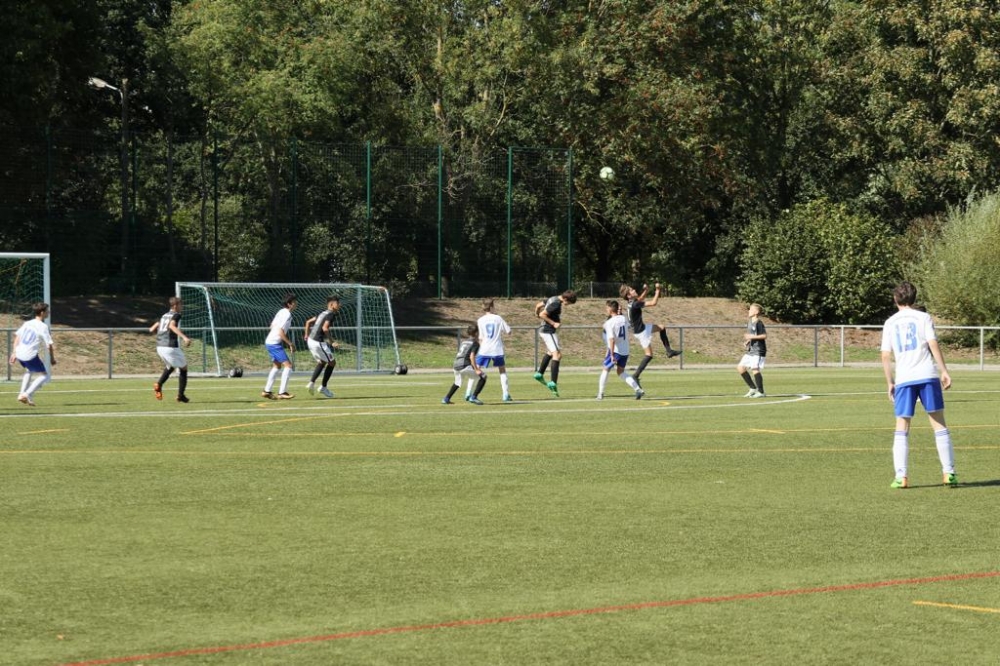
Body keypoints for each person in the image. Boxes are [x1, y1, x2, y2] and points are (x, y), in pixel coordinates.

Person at [880, 281, 957, 489]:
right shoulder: (923, 317)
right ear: (914, 298)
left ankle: (901, 476)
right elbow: (933, 343)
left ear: (895, 299)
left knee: (902, 425)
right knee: (939, 423)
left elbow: (885, 355)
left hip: (904, 378)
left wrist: (890, 381)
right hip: (927, 375)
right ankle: (949, 472)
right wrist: (944, 370)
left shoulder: (890, 322)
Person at [620, 282, 682, 387]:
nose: (634, 290)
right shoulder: (635, 304)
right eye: (631, 290)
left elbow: (640, 299)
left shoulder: (632, 302)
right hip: (641, 332)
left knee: (661, 327)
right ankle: (635, 375)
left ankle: (669, 351)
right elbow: (653, 303)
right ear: (629, 295)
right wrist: (657, 290)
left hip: (641, 328)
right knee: (649, 355)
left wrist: (646, 291)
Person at [533, 289, 577, 397]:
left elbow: (538, 306)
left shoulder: (552, 298)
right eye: (569, 302)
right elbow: (543, 314)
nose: (568, 305)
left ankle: (540, 373)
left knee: (550, 352)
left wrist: (536, 314)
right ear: (565, 299)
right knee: (557, 354)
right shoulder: (556, 303)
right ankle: (553, 382)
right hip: (548, 331)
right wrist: (553, 323)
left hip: (546, 330)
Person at [9, 302, 55, 406]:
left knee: (29, 370)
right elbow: (49, 345)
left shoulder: (27, 323)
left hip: (20, 353)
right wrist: (52, 358)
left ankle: (23, 395)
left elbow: (17, 337)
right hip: (29, 355)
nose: (49, 312)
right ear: (42, 313)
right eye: (47, 311)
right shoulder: (43, 326)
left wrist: (14, 352)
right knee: (45, 376)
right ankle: (26, 394)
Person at [598, 300, 644, 400]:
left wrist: (611, 354)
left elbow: (611, 339)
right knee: (620, 372)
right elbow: (629, 327)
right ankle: (638, 389)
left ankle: (600, 394)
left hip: (616, 351)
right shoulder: (624, 318)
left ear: (611, 309)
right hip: (625, 351)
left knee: (606, 369)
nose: (606, 309)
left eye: (607, 308)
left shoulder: (609, 323)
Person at [149, 296, 192, 403]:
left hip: (160, 346)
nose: (182, 307)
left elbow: (152, 329)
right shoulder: (176, 315)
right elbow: (172, 326)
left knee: (171, 367)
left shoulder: (164, 315)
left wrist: (158, 332)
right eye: (181, 305)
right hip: (170, 346)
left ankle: (159, 384)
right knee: (184, 368)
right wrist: (184, 337)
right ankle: (180, 395)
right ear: (175, 306)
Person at [476, 298, 513, 403]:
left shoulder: (480, 320)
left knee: (476, 369)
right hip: (497, 349)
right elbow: (509, 331)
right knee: (502, 370)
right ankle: (505, 394)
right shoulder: (498, 318)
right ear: (492, 307)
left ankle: (469, 393)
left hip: (484, 348)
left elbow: (480, 337)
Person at [262, 293, 297, 400]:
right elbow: (280, 331)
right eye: (294, 302)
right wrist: (290, 344)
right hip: (274, 343)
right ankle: (282, 392)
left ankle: (266, 391)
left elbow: (271, 326)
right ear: (289, 304)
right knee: (288, 366)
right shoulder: (287, 314)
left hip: (270, 341)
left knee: (277, 366)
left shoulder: (281, 311)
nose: (296, 304)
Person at [303, 296, 340, 399]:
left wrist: (306, 335)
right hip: (317, 342)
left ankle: (311, 383)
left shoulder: (322, 313)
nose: (339, 305)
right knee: (332, 363)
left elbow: (308, 322)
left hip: (311, 340)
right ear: (331, 304)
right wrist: (332, 342)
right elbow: (325, 328)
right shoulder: (331, 314)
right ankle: (323, 387)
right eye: (337, 303)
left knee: (322, 362)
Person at [443, 324, 487, 405]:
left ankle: (446, 398)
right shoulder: (475, 343)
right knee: (483, 376)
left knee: (457, 382)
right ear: (476, 333)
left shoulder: (464, 342)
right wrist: (476, 369)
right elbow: (471, 356)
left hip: (456, 365)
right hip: (464, 365)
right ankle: (474, 397)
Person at [737, 303, 767, 398]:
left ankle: (761, 392)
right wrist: (748, 341)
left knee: (755, 369)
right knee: (740, 367)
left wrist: (751, 337)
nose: (749, 311)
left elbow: (764, 336)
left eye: (751, 309)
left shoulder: (759, 323)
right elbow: (753, 335)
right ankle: (753, 388)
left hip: (758, 350)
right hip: (751, 350)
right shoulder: (750, 322)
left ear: (756, 312)